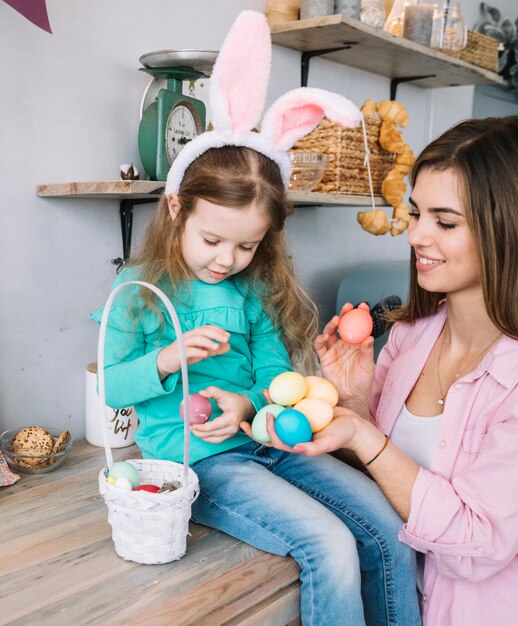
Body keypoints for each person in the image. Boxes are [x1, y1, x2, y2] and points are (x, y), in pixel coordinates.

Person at [91, 11, 420, 626]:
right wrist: (168, 358)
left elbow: (274, 375)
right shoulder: (138, 288)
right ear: (175, 207)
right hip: (201, 463)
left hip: (271, 438)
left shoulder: (253, 288)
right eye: (213, 240)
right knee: (328, 545)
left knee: (386, 525)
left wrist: (249, 405)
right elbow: (112, 385)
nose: (228, 260)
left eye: (247, 246)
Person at [272, 116, 518, 626]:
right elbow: (381, 490)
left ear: (511, 228)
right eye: (417, 213)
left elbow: (473, 544)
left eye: (445, 221)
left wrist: (366, 439)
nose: (416, 234)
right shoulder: (413, 337)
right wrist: (353, 403)